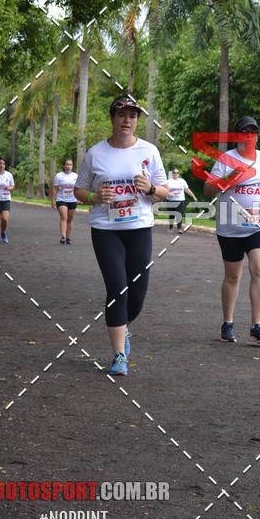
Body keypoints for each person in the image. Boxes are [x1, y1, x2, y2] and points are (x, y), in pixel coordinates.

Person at [74, 95, 169, 376]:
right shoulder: (96, 153)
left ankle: (123, 329)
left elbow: (165, 191)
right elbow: (79, 191)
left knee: (136, 295)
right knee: (117, 290)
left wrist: (150, 188)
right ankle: (118, 356)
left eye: (133, 116)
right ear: (112, 118)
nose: (127, 121)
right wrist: (95, 196)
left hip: (139, 228)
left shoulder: (149, 151)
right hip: (106, 229)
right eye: (122, 115)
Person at [204, 115, 260, 345]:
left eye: (253, 131)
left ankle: (257, 325)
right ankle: (227, 323)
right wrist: (230, 177)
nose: (249, 135)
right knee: (233, 275)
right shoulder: (227, 159)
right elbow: (208, 190)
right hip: (231, 226)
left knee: (259, 269)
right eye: (245, 131)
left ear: (257, 135)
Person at [52, 157, 78, 244]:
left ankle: (68, 237)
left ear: (72, 166)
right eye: (67, 164)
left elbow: (78, 189)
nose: (68, 166)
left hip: (72, 200)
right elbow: (55, 189)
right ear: (64, 165)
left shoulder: (75, 176)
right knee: (64, 217)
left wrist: (80, 198)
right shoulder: (59, 176)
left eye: (70, 164)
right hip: (61, 199)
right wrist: (53, 200)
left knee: (70, 219)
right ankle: (63, 236)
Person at [165, 167, 197, 233]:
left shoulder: (182, 181)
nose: (176, 174)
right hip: (171, 200)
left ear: (179, 174)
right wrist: (169, 193)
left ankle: (179, 228)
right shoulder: (168, 181)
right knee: (172, 215)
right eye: (174, 173)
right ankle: (170, 228)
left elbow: (187, 190)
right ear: (172, 174)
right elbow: (164, 190)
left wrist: (194, 197)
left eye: (177, 173)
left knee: (179, 214)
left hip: (180, 200)